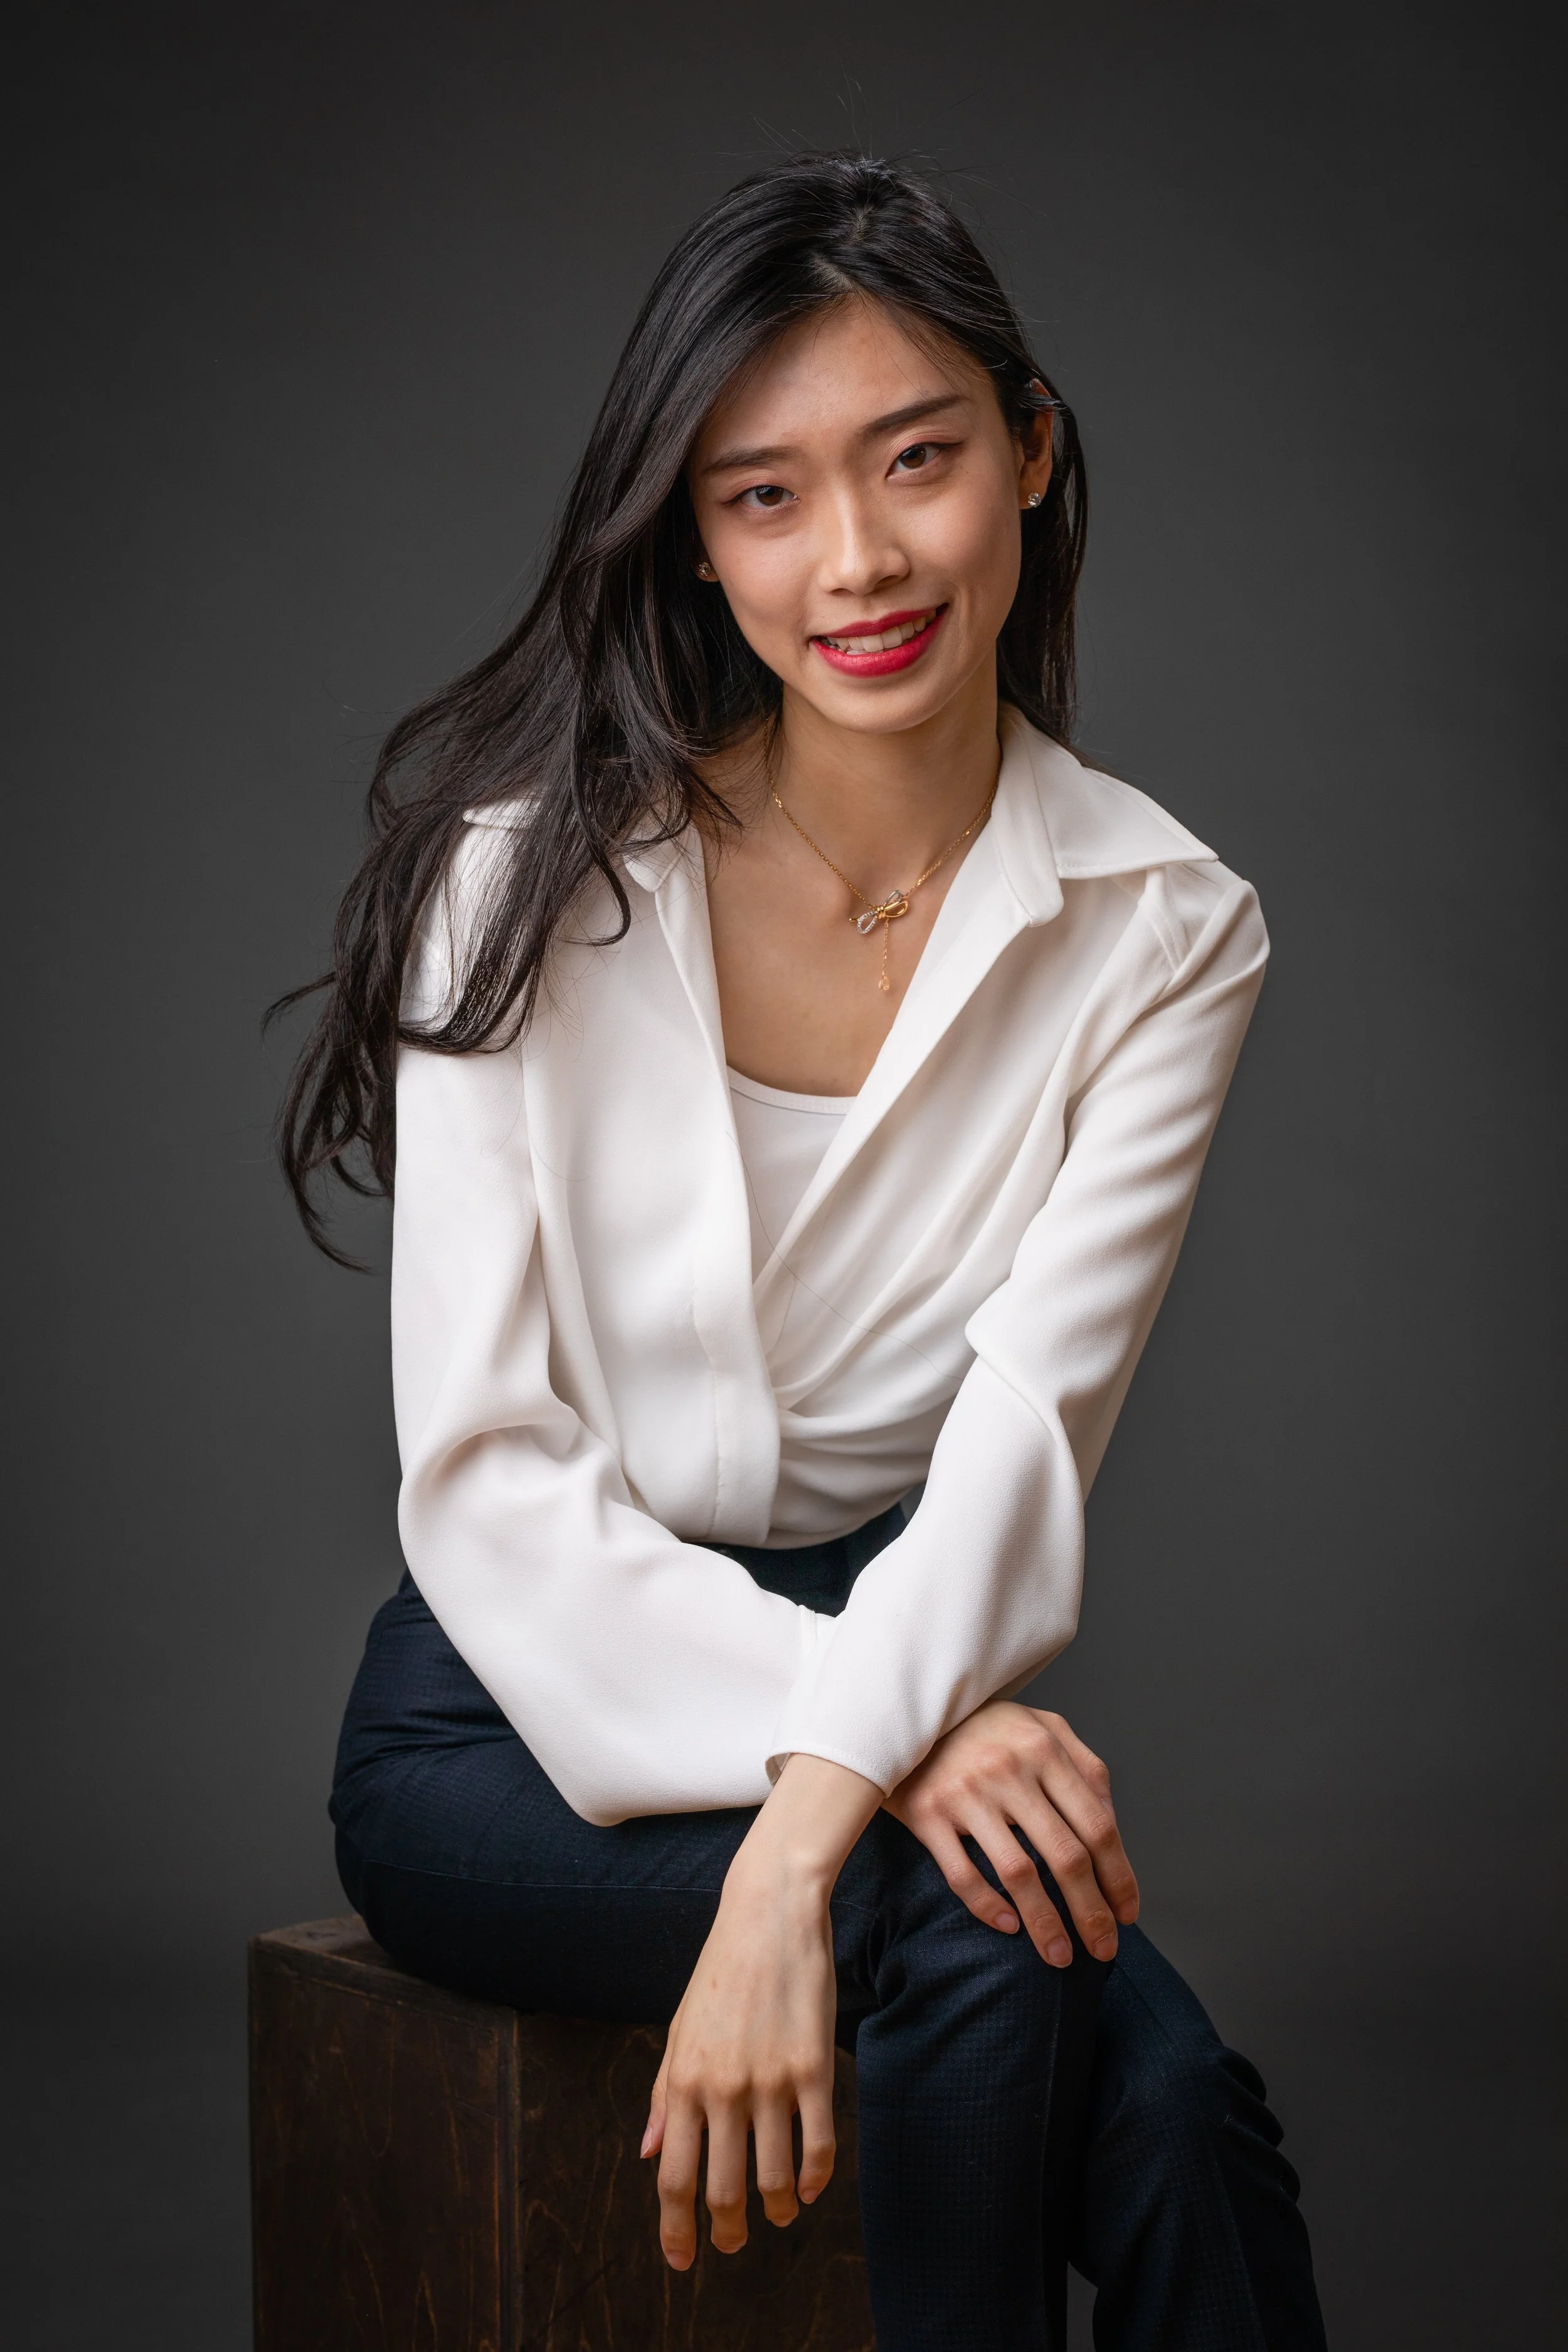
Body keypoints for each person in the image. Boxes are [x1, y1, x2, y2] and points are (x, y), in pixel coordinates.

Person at [278, 153, 1327, 2351]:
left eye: (916, 459)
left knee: (1176, 2124)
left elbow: (1022, 1450)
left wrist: (802, 1830)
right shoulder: (522, 887)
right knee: (969, 1939)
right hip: (508, 1714)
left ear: (1029, 454)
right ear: (691, 535)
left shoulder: (1160, 930)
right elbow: (484, 1483)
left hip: (895, 1664)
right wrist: (886, 1746)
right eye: (759, 495)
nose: (851, 558)